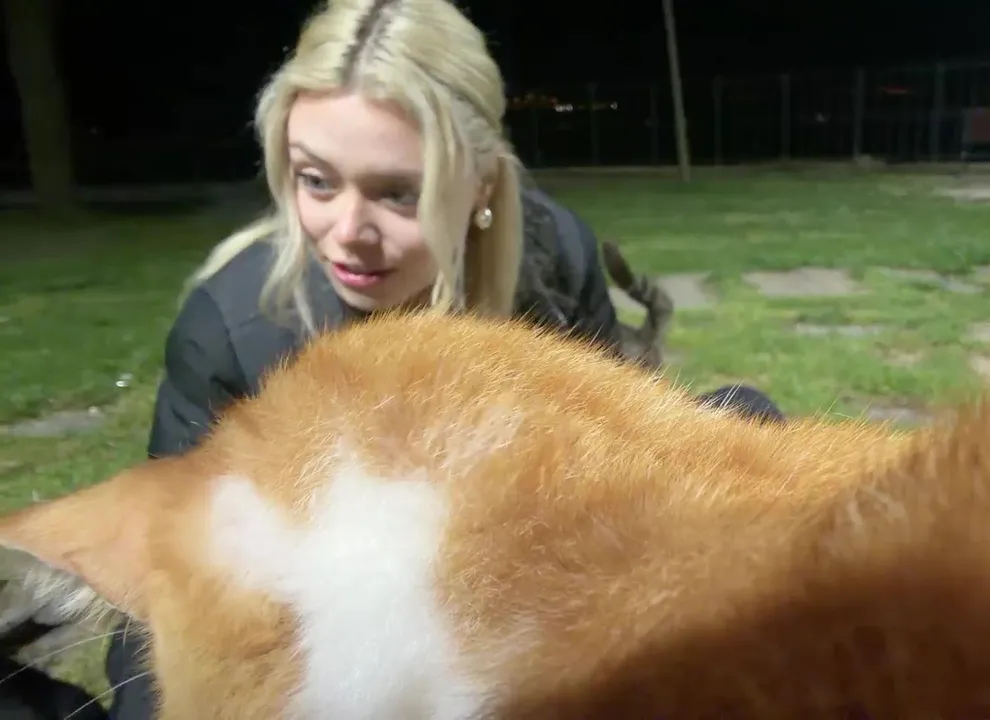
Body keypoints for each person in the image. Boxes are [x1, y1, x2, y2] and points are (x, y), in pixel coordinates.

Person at [80, 0, 784, 717]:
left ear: (480, 186)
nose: (347, 232)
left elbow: (627, 477)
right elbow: (153, 610)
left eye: (398, 193)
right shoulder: (232, 337)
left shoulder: (554, 262)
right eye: (317, 180)